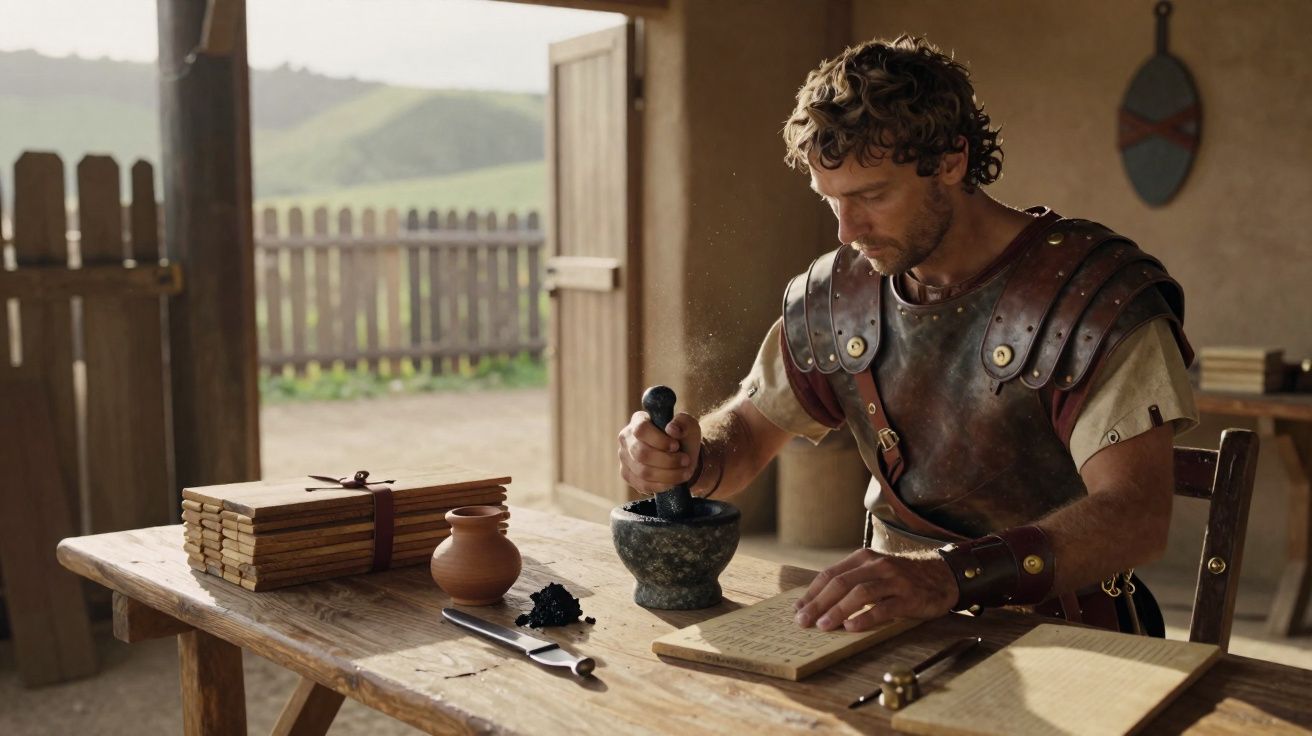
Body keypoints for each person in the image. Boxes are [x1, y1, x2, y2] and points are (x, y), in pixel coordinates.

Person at [616, 35, 1198, 636]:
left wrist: (947, 577)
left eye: (871, 196)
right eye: (832, 200)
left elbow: (1136, 516)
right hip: (893, 626)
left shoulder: (1091, 293)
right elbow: (743, 436)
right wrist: (689, 455)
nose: (846, 231)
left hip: (1072, 636)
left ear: (950, 160)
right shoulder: (840, 294)